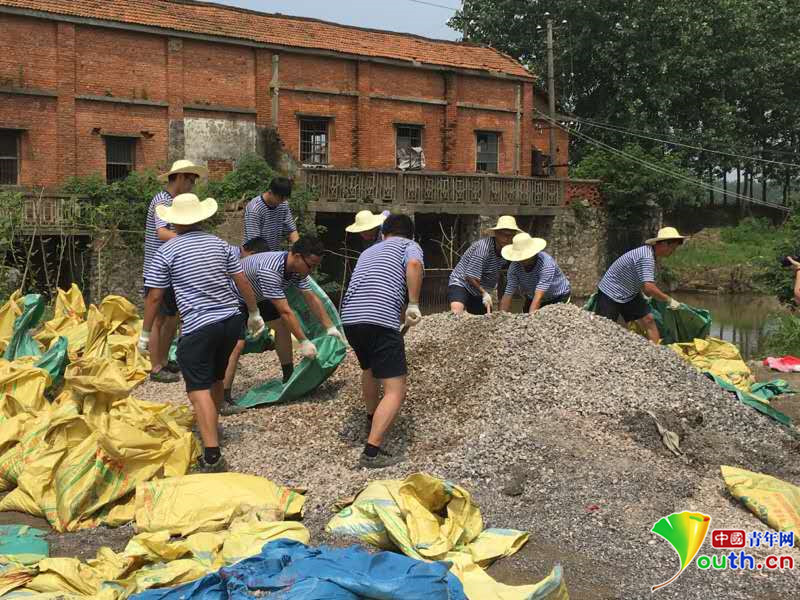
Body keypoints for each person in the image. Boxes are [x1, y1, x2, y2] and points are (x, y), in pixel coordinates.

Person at [139, 193, 265, 472]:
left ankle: (211, 455)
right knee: (216, 379)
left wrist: (145, 334)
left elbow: (155, 298)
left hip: (198, 327)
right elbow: (241, 279)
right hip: (231, 322)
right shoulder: (221, 245)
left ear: (175, 222)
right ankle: (212, 429)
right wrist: (254, 313)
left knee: (198, 390)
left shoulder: (167, 251)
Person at [340, 214, 424, 469]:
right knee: (396, 389)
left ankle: (371, 417)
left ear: (384, 232)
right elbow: (413, 266)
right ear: (410, 234)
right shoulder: (410, 246)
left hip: (350, 318)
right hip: (378, 319)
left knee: (369, 369)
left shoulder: (370, 251)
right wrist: (413, 302)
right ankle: (372, 452)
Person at [238, 237, 345, 385]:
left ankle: (288, 375)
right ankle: (225, 395)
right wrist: (304, 342)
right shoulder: (270, 269)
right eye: (311, 266)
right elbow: (285, 311)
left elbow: (311, 298)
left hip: (258, 295)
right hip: (233, 298)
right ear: (297, 256)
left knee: (282, 326)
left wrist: (330, 327)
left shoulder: (297, 269)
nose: (312, 270)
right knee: (236, 343)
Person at [143, 159, 207, 383]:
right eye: (190, 180)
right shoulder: (162, 200)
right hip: (157, 270)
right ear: (179, 177)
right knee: (158, 319)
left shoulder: (175, 202)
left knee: (171, 317)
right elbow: (162, 232)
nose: (191, 185)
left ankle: (163, 358)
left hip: (173, 270)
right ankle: (155, 366)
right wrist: (191, 240)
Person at [593, 226, 688, 343]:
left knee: (649, 319)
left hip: (629, 292)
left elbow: (643, 282)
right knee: (604, 327)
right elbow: (649, 287)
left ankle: (657, 352)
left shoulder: (650, 253)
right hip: (611, 292)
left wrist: (644, 294)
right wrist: (669, 300)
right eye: (672, 248)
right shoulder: (646, 256)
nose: (673, 252)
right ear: (664, 244)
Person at [219, 236, 272, 415]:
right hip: (221, 304)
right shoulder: (229, 255)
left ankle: (222, 396)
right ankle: (222, 398)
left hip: (229, 304)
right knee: (235, 345)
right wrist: (254, 312)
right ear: (251, 254)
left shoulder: (232, 253)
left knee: (237, 345)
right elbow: (241, 282)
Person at [447, 215, 521, 315]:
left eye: (511, 236)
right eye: (505, 235)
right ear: (497, 234)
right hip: (463, 282)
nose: (508, 239)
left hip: (481, 287)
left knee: (485, 318)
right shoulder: (483, 249)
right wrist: (484, 293)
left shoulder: (507, 251)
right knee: (457, 311)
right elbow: (470, 276)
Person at [499, 233, 571, 314]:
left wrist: (531, 322)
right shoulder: (514, 267)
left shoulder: (546, 264)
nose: (523, 259)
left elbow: (538, 297)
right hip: (532, 296)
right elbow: (508, 293)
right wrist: (501, 316)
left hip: (558, 296)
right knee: (526, 316)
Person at [243, 177, 300, 251]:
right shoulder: (255, 209)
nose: (282, 202)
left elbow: (291, 230)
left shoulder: (283, 204)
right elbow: (255, 242)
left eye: (285, 199)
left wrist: (300, 249)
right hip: (254, 254)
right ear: (270, 192)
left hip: (273, 253)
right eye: (280, 199)